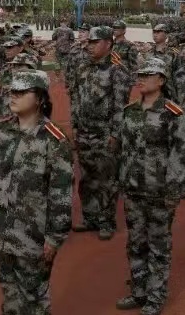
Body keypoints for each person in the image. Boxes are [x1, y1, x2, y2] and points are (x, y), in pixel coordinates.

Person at [0, 70, 74, 315]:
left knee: (33, 295)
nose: (14, 96)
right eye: (12, 91)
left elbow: (61, 193)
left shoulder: (54, 140)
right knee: (9, 290)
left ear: (41, 98)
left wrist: (55, 237)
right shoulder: (1, 131)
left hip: (33, 233)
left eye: (22, 92)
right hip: (3, 228)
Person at [114, 58, 185, 315]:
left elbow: (179, 155)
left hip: (159, 191)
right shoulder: (129, 111)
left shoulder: (172, 113)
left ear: (162, 80)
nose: (142, 78)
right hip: (133, 190)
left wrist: (173, 191)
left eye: (148, 74)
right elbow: (122, 150)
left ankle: (156, 296)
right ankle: (139, 291)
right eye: (140, 74)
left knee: (158, 245)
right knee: (136, 243)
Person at [70, 26, 130, 240]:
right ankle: (90, 217)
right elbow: (75, 98)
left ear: (108, 44)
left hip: (105, 134)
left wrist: (115, 134)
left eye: (95, 42)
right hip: (84, 132)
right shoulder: (82, 67)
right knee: (86, 178)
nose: (90, 46)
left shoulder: (117, 70)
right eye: (89, 42)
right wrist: (75, 125)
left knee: (106, 179)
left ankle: (106, 221)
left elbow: (120, 106)